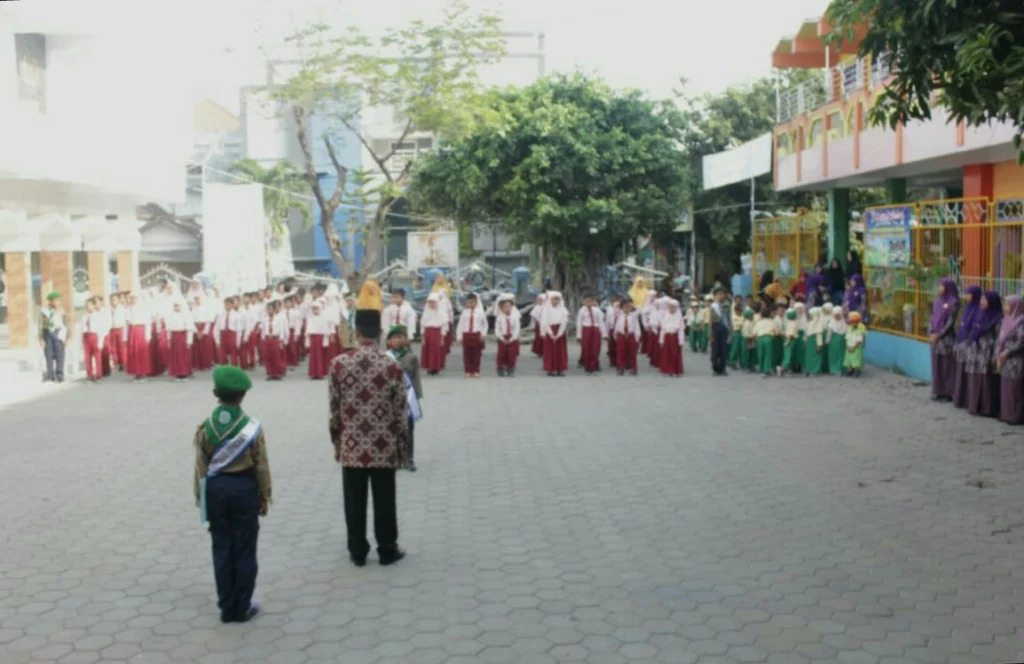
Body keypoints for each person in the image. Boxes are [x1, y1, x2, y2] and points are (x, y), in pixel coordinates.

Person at [328, 298, 408, 567]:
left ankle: (357, 551)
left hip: (352, 444)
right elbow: (400, 410)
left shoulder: (338, 364)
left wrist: (338, 442)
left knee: (354, 499)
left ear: (356, 332)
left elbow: (334, 410)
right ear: (381, 333)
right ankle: (387, 548)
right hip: (383, 444)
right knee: (385, 498)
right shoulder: (391, 365)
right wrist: (402, 446)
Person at [193, 365, 271, 624]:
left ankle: (226, 607)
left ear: (216, 393)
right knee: (245, 549)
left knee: (221, 548)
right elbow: (261, 465)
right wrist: (264, 495)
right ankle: (243, 605)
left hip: (216, 491)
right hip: (244, 489)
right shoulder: (251, 427)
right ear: (242, 396)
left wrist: (200, 498)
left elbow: (200, 467)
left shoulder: (206, 427)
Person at [386, 325, 423, 471]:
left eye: (400, 337)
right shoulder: (386, 356)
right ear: (389, 341)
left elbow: (416, 377)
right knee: (393, 428)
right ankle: (395, 457)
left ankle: (409, 458)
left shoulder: (411, 357)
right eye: (394, 337)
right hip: (391, 398)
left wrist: (418, 395)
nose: (397, 340)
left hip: (408, 397)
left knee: (408, 428)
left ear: (406, 339)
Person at [965, 291, 1002, 416]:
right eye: (981, 300)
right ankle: (974, 405)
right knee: (974, 378)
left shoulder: (997, 317)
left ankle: (987, 408)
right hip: (975, 350)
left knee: (986, 380)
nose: (982, 302)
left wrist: (995, 354)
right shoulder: (979, 313)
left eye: (985, 300)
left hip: (987, 350)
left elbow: (998, 338)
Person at [928, 278, 960, 401]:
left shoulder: (954, 302)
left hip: (946, 339)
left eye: (941, 286)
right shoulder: (937, 301)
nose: (939, 288)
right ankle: (938, 390)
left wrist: (939, 334)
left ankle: (947, 392)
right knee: (937, 365)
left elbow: (951, 322)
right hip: (935, 339)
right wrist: (931, 332)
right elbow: (931, 317)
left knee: (947, 366)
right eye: (939, 286)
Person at [953, 286, 983, 408]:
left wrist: (967, 340)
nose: (966, 297)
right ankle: (959, 398)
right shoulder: (967, 308)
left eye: (968, 294)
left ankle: (967, 399)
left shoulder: (978, 310)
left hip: (970, 345)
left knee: (968, 373)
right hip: (961, 343)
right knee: (960, 371)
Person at [996, 295, 1024, 424]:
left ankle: (1015, 416)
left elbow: (1021, 341)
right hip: (1004, 359)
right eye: (1005, 304)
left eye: (1007, 305)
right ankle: (1006, 414)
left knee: (1015, 389)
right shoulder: (1006, 319)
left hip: (1015, 359)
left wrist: (1007, 352)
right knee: (1006, 387)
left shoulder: (1020, 321)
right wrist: (998, 354)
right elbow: (1000, 338)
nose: (1005, 307)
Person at [456, 293, 486, 379]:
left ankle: (476, 370)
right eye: (468, 302)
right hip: (466, 334)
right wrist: (459, 336)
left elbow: (484, 324)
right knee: (467, 353)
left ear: (476, 303)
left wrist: (483, 334)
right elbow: (460, 325)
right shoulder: (464, 313)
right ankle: (468, 371)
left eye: (472, 302)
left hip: (476, 334)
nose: (470, 304)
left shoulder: (480, 312)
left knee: (476, 354)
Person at [40, 291, 67, 383]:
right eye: (55, 300)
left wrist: (65, 338)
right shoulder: (44, 311)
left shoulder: (61, 311)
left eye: (58, 300)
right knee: (48, 355)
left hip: (58, 334)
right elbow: (41, 325)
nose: (57, 302)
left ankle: (59, 374)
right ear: (51, 301)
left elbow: (65, 325)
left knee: (60, 354)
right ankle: (50, 375)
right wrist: (41, 338)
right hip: (47, 334)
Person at [576, 293, 606, 374]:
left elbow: (601, 321)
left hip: (595, 330)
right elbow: (579, 323)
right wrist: (579, 335)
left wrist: (604, 334)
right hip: (586, 329)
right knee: (586, 348)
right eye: (586, 301)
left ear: (593, 301)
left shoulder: (597, 310)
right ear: (584, 302)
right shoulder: (582, 310)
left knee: (595, 348)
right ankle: (587, 365)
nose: (588, 303)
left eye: (590, 301)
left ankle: (594, 364)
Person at [166, 299, 195, 382]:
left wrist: (189, 341)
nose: (177, 307)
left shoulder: (186, 315)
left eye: (178, 306)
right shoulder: (171, 315)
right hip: (174, 337)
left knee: (184, 356)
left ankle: (184, 373)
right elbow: (168, 329)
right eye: (175, 306)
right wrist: (168, 339)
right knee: (176, 356)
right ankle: (177, 373)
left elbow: (190, 329)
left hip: (183, 336)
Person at [494, 296, 521, 377]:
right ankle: (500, 367)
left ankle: (511, 368)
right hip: (503, 338)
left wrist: (512, 338)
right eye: (505, 307)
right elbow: (497, 329)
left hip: (512, 338)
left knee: (512, 355)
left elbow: (517, 329)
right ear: (501, 308)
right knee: (501, 354)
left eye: (509, 306)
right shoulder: (499, 318)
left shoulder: (515, 317)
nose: (507, 308)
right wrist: (501, 338)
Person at [614, 297, 641, 376]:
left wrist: (637, 337)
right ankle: (621, 367)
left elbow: (637, 327)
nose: (627, 309)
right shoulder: (619, 315)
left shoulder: (633, 316)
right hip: (621, 336)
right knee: (620, 352)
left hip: (631, 335)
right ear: (621, 308)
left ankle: (633, 368)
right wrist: (616, 336)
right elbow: (615, 309)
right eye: (625, 307)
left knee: (632, 353)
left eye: (629, 307)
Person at [305, 300, 331, 380]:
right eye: (313, 308)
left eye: (316, 308)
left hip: (321, 338)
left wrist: (325, 340)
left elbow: (326, 331)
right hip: (313, 338)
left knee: (320, 356)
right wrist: (307, 340)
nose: (315, 310)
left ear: (320, 309)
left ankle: (320, 373)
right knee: (313, 356)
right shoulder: (310, 318)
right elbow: (308, 330)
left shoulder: (324, 318)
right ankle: (313, 373)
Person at [658, 298, 684, 377]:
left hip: (675, 337)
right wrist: (661, 340)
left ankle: (675, 369)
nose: (671, 309)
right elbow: (663, 328)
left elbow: (681, 329)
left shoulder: (679, 316)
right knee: (666, 354)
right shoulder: (666, 315)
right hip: (667, 336)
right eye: (670, 307)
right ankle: (667, 369)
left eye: (673, 307)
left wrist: (681, 341)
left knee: (674, 354)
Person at [709, 288, 730, 376]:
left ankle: (723, 368)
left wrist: (730, 333)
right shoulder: (713, 306)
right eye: (718, 294)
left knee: (724, 350)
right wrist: (710, 334)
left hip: (724, 328)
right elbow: (710, 320)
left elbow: (729, 319)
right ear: (715, 296)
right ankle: (715, 368)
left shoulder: (727, 306)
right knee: (715, 350)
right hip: (715, 327)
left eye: (722, 294)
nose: (720, 296)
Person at [843, 312, 867, 377]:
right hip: (848, 346)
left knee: (856, 359)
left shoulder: (860, 330)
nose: (853, 323)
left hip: (856, 347)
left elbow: (859, 340)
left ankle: (856, 371)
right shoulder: (848, 328)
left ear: (858, 322)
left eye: (855, 322)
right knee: (848, 359)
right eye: (852, 322)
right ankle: (849, 370)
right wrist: (847, 346)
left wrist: (854, 347)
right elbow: (846, 338)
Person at [826, 305, 847, 376]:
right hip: (833, 342)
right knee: (834, 356)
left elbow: (846, 333)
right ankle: (833, 369)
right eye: (835, 315)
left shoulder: (844, 323)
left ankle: (841, 369)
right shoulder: (831, 324)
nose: (837, 317)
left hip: (842, 342)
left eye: (838, 315)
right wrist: (828, 341)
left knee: (841, 356)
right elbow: (829, 334)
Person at [804, 307, 826, 376]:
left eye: (811, 315)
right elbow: (806, 333)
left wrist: (819, 345)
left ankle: (815, 370)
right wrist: (805, 340)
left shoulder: (818, 324)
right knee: (809, 357)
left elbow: (819, 335)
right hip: (810, 342)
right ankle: (808, 369)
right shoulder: (809, 323)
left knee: (816, 356)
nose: (810, 316)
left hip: (815, 342)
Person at [605, 295, 622, 369]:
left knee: (619, 347)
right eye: (614, 301)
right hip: (611, 329)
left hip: (619, 330)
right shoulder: (609, 310)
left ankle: (619, 362)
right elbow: (607, 321)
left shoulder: (621, 310)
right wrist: (605, 333)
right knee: (611, 347)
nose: (616, 303)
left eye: (617, 301)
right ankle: (612, 362)